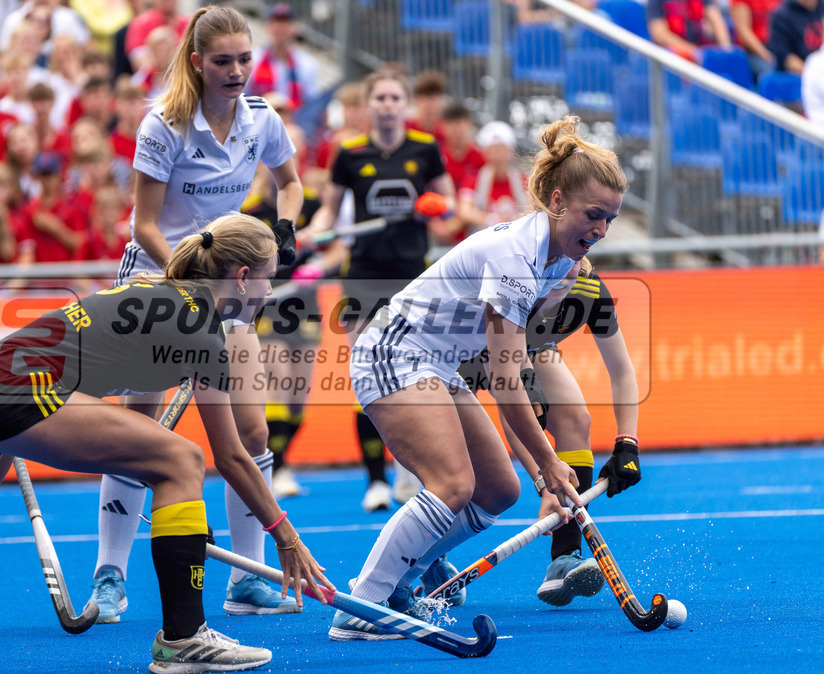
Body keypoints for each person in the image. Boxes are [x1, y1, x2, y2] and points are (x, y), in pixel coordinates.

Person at [0, 213, 334, 674]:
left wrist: (186, 524)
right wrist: (286, 537)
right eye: (268, 279)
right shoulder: (199, 326)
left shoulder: (160, 294)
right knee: (182, 460)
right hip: (18, 395)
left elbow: (140, 421)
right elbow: (231, 456)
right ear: (241, 277)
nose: (269, 293)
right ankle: (183, 639)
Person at [326, 115, 627, 640]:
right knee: (452, 485)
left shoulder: (562, 263)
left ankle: (403, 582)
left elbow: (510, 365)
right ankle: (362, 607)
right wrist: (548, 462)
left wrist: (540, 470)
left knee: (497, 490)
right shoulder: (517, 257)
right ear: (557, 202)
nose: (601, 230)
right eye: (593, 215)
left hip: (439, 365)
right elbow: (505, 381)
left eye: (611, 220)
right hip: (395, 352)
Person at [90, 5, 305, 625]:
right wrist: (189, 285)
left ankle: (247, 578)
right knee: (139, 429)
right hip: (157, 279)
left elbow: (290, 182)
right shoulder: (164, 125)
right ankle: (110, 575)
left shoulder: (262, 119)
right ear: (196, 62)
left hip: (229, 287)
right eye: (223, 61)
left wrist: (284, 227)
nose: (236, 71)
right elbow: (145, 226)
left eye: (244, 59)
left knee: (251, 434)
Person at [302, 67, 456, 515]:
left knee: (417, 372)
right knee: (367, 374)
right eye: (380, 98)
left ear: (404, 104)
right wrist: (312, 232)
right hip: (363, 275)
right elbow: (328, 212)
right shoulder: (349, 153)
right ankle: (374, 480)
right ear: (368, 104)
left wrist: (437, 207)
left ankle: (412, 471)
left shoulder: (425, 148)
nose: (387, 105)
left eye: (394, 98)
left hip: (412, 275)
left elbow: (449, 206)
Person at [459, 257, 642, 606]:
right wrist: (545, 481)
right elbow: (515, 407)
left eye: (571, 266)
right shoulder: (516, 286)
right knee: (457, 467)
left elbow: (621, 370)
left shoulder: (590, 289)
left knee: (575, 419)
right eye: (552, 267)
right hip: (455, 350)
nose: (562, 274)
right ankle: (423, 560)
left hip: (528, 346)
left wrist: (627, 443)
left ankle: (564, 557)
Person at [241, 163, 322, 499]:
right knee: (279, 381)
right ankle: (279, 467)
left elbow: (335, 244)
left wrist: (319, 264)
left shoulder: (312, 205)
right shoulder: (251, 212)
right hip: (269, 307)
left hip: (305, 305)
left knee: (298, 397)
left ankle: (279, 459)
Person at [247, 3, 321, 113]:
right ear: (267, 26)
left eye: (285, 22)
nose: (280, 27)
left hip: (293, 119)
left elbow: (311, 102)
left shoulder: (307, 64)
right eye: (276, 22)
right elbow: (245, 95)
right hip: (258, 117)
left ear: (294, 28)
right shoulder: (253, 59)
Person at [646, 0, 732, 61]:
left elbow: (716, 20)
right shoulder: (656, 1)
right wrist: (693, 52)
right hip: (675, 57)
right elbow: (660, 35)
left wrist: (726, 49)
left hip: (701, 51)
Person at [767, 0, 824, 75]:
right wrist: (814, 74)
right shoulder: (782, 15)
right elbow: (786, 58)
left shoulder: (821, 7)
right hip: (798, 75)